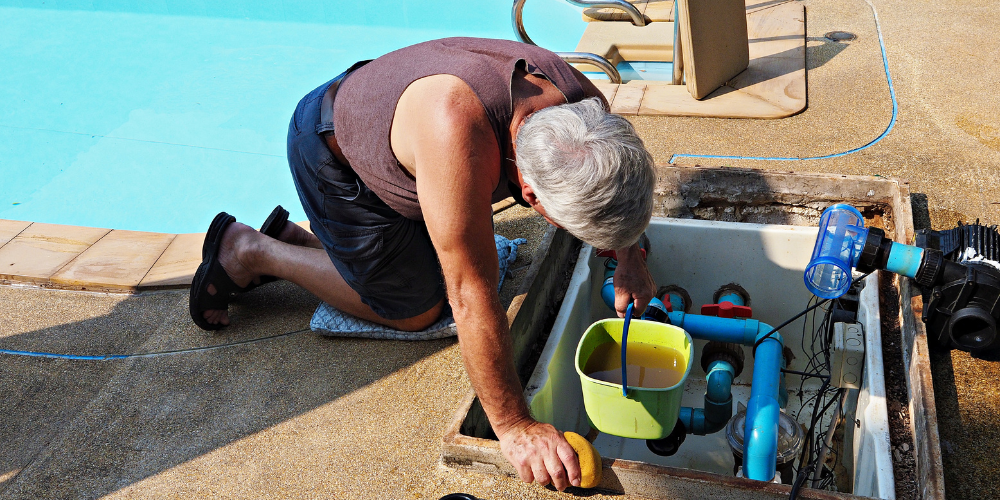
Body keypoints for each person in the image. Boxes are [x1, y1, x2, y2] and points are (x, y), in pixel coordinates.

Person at [189, 37, 656, 491]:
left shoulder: (585, 109)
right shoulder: (457, 133)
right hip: (336, 157)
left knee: (451, 252)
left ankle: (313, 245)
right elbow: (471, 295)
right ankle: (252, 250)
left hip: (397, 124)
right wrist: (515, 425)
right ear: (530, 195)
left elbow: (621, 194)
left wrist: (629, 259)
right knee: (417, 309)